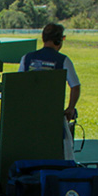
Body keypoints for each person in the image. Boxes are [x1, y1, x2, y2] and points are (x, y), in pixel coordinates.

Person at [19, 23, 81, 160]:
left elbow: (18, 85)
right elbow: (75, 86)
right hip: (53, 115)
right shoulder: (63, 60)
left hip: (29, 114)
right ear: (59, 40)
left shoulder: (26, 58)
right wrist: (70, 108)